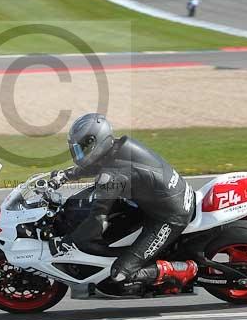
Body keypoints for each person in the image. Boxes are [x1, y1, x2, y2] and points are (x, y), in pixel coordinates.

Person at [49, 113, 197, 289]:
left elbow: (97, 221)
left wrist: (69, 241)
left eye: (82, 149)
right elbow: (98, 165)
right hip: (164, 199)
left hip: (170, 217)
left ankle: (184, 269)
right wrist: (67, 175)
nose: (79, 154)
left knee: (120, 274)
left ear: (97, 143)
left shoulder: (114, 176)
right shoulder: (118, 147)